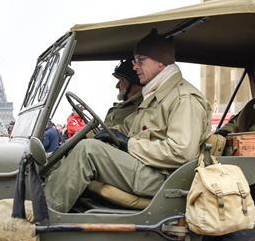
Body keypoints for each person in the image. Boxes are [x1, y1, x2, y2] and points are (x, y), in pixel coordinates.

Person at [45, 28, 210, 212]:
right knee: (81, 144)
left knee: (88, 151)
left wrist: (130, 144)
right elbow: (125, 128)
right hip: (148, 169)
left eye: (140, 60)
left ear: (161, 63)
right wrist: (93, 135)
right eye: (134, 60)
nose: (134, 66)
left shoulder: (183, 98)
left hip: (162, 177)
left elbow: (181, 152)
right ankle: (44, 198)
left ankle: (42, 218)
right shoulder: (158, 95)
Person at [104, 59, 143, 129]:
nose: (117, 86)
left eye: (121, 80)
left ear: (135, 83)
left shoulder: (142, 107)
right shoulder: (124, 106)